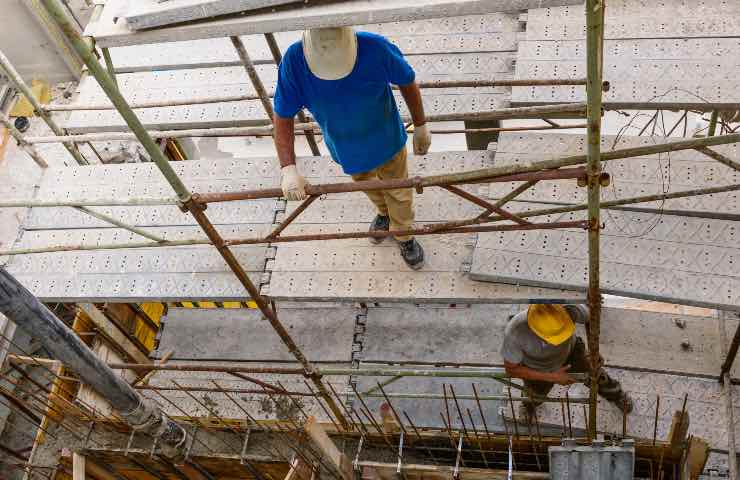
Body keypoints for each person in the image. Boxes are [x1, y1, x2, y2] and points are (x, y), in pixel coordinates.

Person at [273, 27, 431, 269]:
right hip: (347, 149)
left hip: (386, 140)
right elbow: (283, 116)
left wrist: (420, 125)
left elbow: (407, 80)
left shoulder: (375, 47)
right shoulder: (294, 61)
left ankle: (404, 235)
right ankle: (384, 213)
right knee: (367, 185)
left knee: (399, 191)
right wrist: (288, 168)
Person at [501, 304, 633, 417]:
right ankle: (528, 406)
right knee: (534, 395)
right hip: (537, 367)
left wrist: (594, 348)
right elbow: (511, 369)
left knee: (596, 375)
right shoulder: (516, 331)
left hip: (571, 352)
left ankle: (616, 395)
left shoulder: (567, 309)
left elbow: (591, 314)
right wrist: (551, 377)